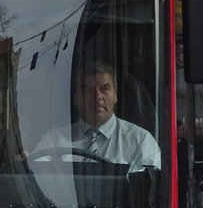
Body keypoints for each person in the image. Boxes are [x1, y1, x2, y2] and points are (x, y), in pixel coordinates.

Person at [32, 62, 160, 172]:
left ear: (115, 95)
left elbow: (151, 190)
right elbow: (33, 175)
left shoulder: (140, 141)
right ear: (76, 98)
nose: (97, 96)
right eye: (89, 90)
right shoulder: (54, 141)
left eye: (104, 89)